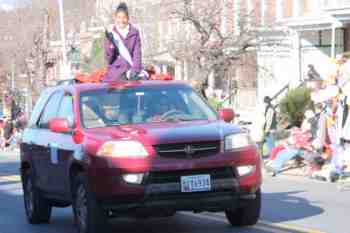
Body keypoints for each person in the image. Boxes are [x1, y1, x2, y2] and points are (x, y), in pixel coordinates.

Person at [103, 2, 144, 82]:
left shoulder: (134, 32)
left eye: (124, 17)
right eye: (119, 17)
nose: (121, 20)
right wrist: (110, 43)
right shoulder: (111, 33)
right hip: (116, 72)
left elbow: (137, 53)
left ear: (128, 18)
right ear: (115, 18)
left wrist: (135, 70)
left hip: (131, 70)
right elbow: (109, 59)